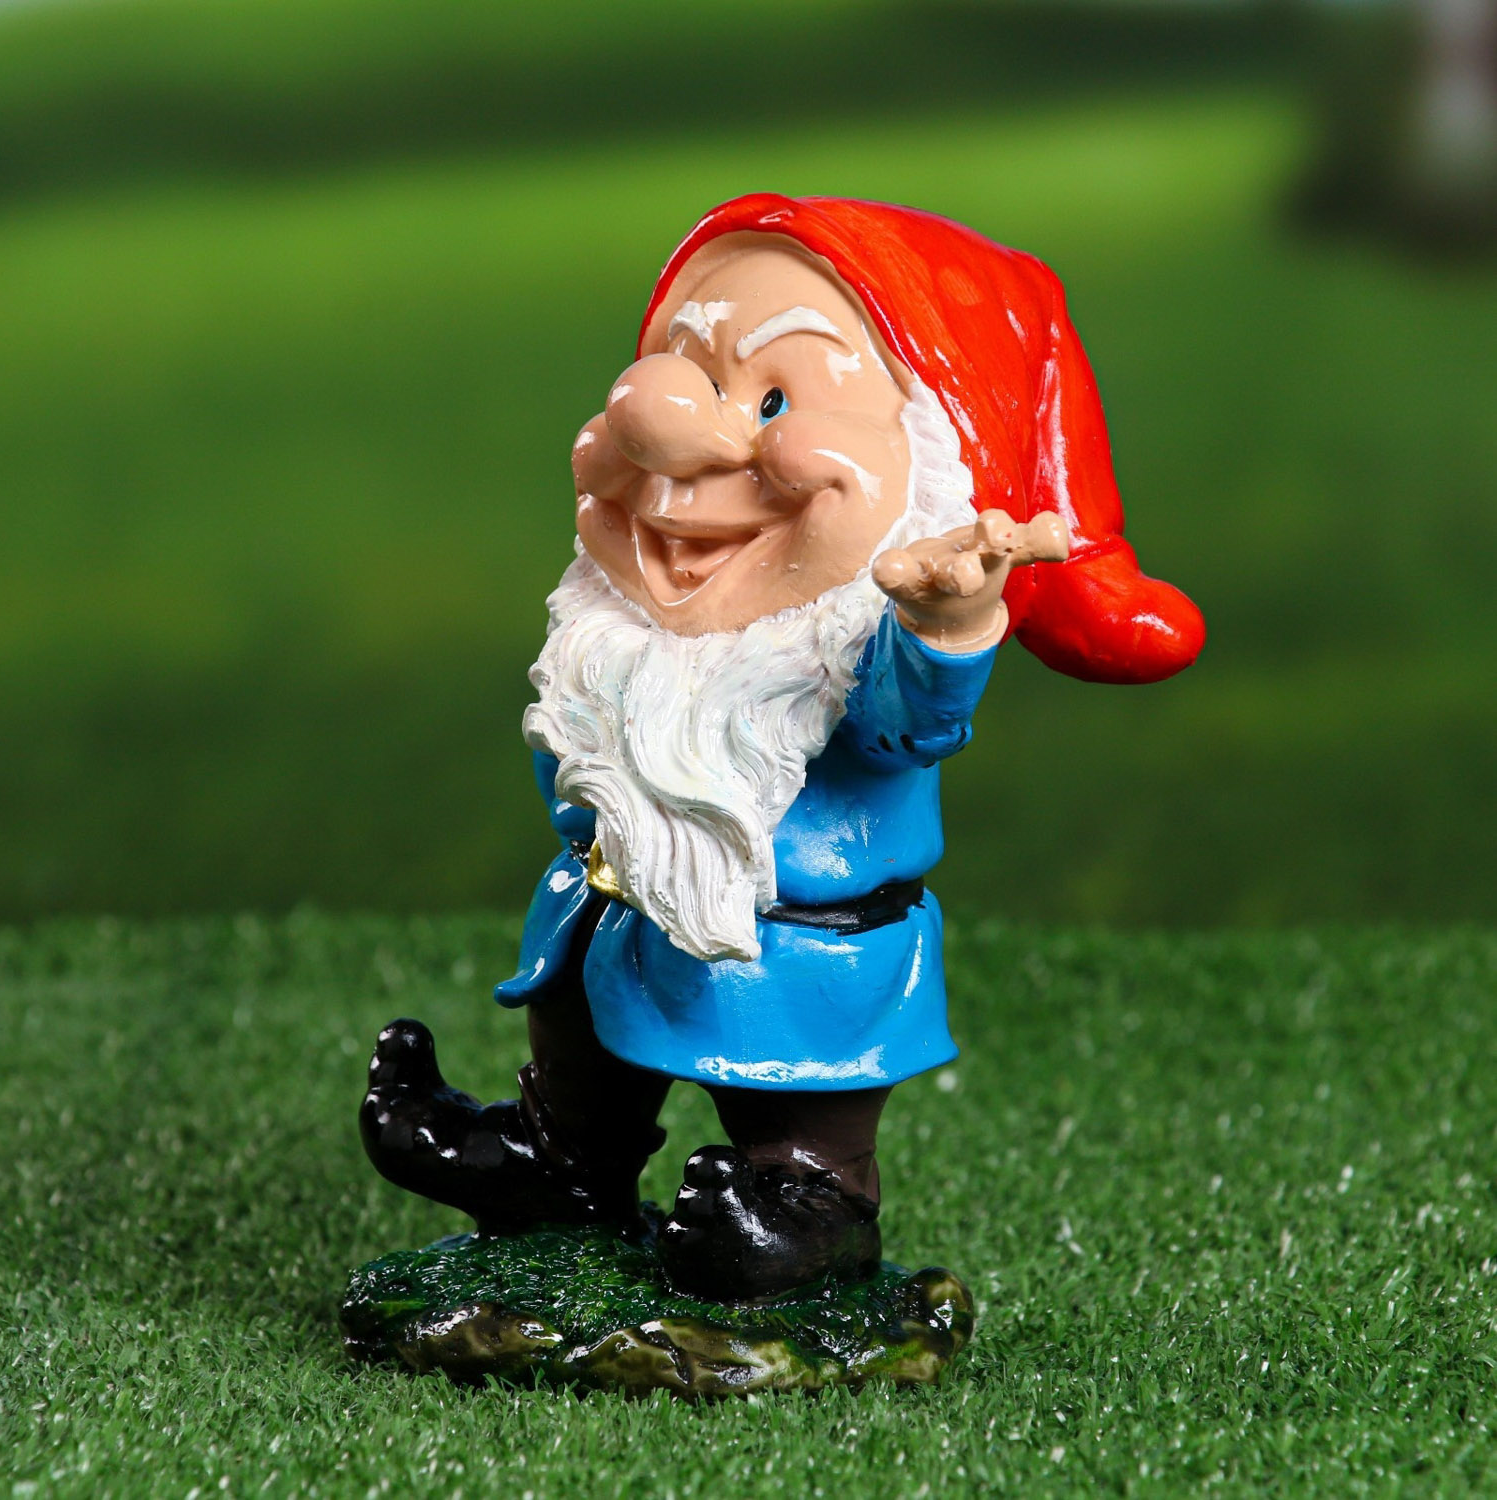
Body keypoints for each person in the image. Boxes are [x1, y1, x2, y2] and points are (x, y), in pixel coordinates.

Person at [359, 194, 1204, 1301]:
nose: (663, 429)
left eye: (771, 398)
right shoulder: (623, 628)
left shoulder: (853, 641)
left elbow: (905, 727)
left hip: (798, 954)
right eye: (674, 369)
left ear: (930, 477)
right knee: (582, 1057)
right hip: (611, 912)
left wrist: (945, 627)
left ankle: (812, 1203)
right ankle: (560, 1162)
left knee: (793, 1117)